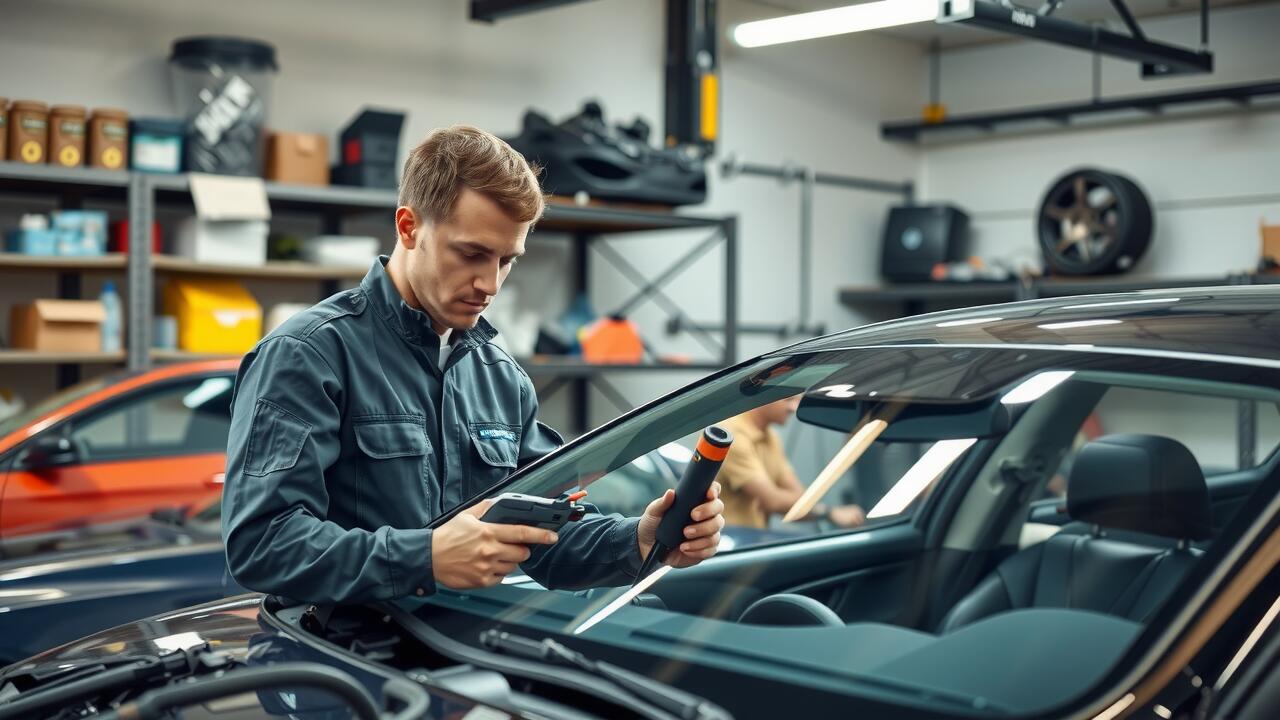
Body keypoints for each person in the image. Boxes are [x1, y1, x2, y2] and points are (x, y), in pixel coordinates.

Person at [222, 126, 725, 604]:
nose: (490, 284)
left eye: (507, 260)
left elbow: (545, 534)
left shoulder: (501, 377)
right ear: (409, 226)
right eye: (472, 254)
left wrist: (639, 539)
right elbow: (263, 544)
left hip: (463, 659)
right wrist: (425, 557)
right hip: (339, 669)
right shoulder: (309, 355)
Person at [718, 396, 865, 530]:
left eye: (797, 400)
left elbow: (801, 499)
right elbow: (772, 500)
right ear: (761, 397)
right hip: (728, 541)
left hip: (755, 537)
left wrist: (803, 505)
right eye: (788, 400)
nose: (794, 408)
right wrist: (830, 512)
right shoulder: (732, 435)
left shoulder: (771, 437)